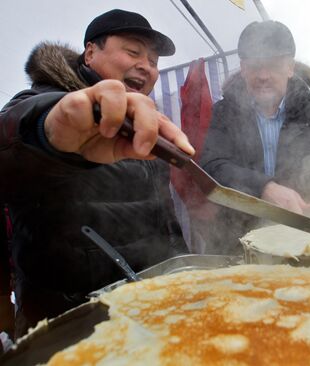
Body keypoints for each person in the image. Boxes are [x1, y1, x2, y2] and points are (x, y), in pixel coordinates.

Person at [0, 9, 194, 338]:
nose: (146, 66)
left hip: (147, 314)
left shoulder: (146, 126)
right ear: (90, 52)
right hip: (68, 326)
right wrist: (50, 132)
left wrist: (187, 272)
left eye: (154, 60)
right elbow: (13, 142)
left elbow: (165, 221)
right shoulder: (47, 103)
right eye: (132, 52)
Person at [199, 20, 310, 254]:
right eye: (254, 66)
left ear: (290, 67)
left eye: (273, 65)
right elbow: (213, 165)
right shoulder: (225, 111)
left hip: (302, 235)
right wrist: (264, 187)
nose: (263, 76)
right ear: (243, 68)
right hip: (237, 237)